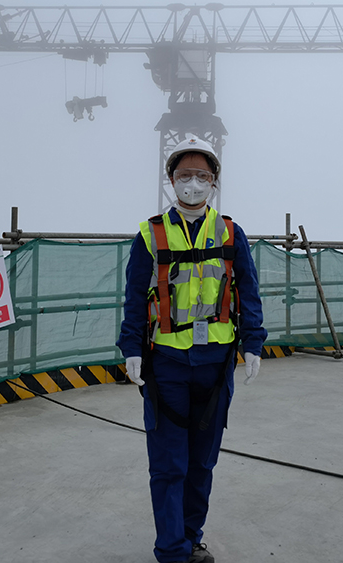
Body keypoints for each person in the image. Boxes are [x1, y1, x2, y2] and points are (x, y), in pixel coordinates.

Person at [117, 135, 267, 563]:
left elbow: (249, 291)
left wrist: (253, 342)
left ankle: (189, 538)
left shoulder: (231, 233)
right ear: (171, 180)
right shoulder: (150, 235)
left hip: (216, 364)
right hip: (166, 364)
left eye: (202, 175)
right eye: (185, 175)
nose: (193, 183)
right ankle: (171, 552)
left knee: (202, 463)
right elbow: (134, 296)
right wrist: (131, 346)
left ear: (214, 181)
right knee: (169, 464)